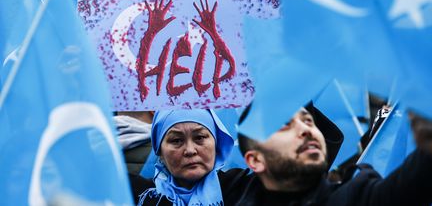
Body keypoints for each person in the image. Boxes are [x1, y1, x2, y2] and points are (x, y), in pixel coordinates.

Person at [223, 104, 432, 206]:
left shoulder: (357, 198)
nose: (307, 130)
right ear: (255, 160)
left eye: (308, 121)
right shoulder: (225, 195)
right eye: (284, 125)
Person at [129, 109, 235, 206]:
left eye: (199, 137)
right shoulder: (134, 194)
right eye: (176, 140)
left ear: (216, 144)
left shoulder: (240, 187)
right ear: (160, 152)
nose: (190, 150)